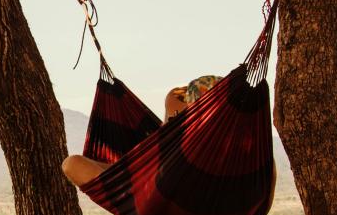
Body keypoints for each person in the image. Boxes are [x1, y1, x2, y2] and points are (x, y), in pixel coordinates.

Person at [61, 74, 223, 188]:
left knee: (73, 164)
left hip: (163, 186)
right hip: (147, 173)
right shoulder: (177, 136)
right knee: (73, 163)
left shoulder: (216, 143)